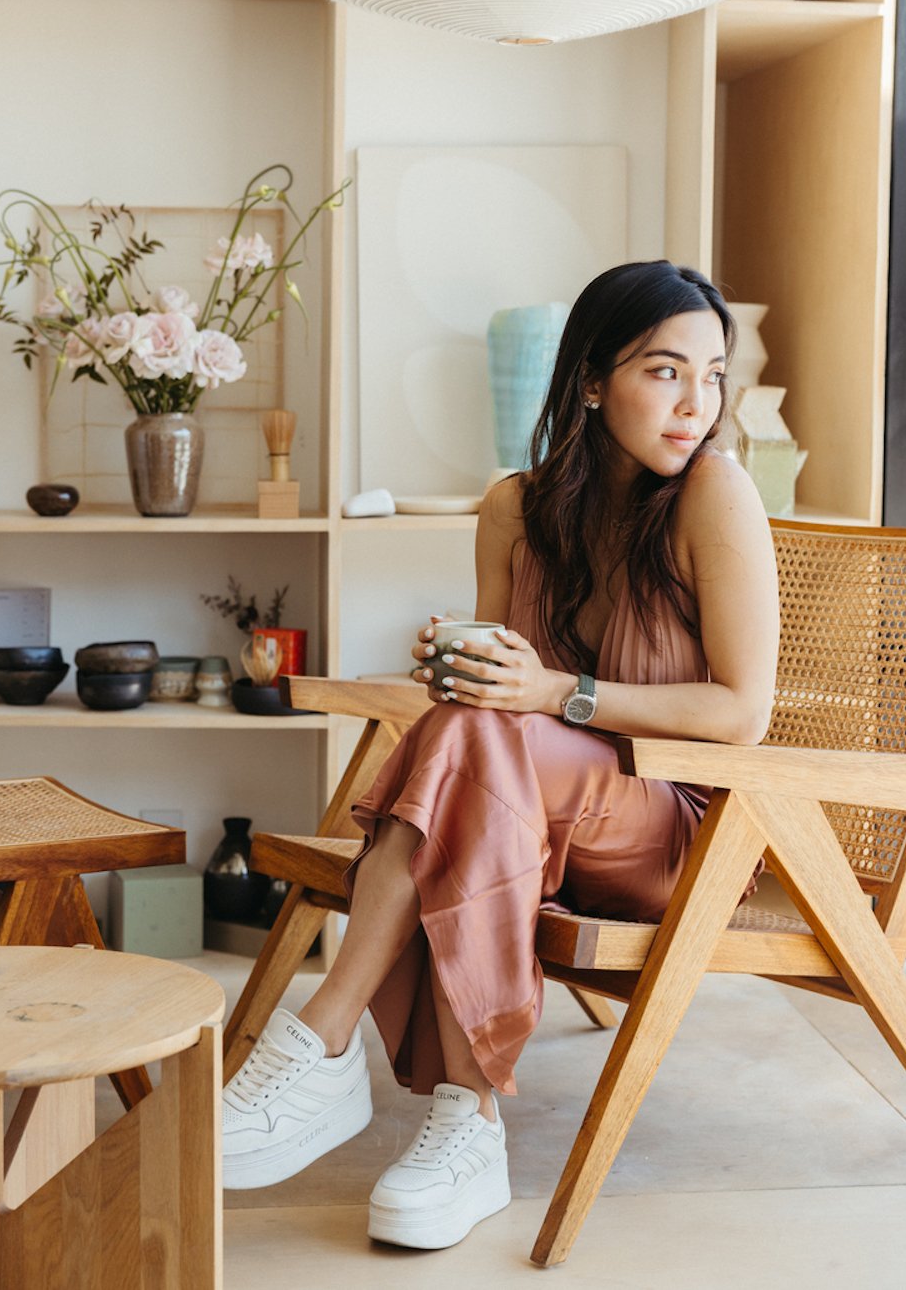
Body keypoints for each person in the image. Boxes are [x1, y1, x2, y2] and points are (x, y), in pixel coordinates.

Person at [221, 260, 780, 1251]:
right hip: (525, 812)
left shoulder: (713, 494)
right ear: (594, 380)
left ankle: (325, 1043)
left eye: (712, 373)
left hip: (674, 835)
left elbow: (742, 712)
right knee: (464, 734)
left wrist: (552, 693)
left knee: (474, 751)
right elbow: (503, 698)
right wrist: (463, 671)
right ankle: (460, 1124)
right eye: (665, 371)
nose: (697, 402)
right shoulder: (514, 506)